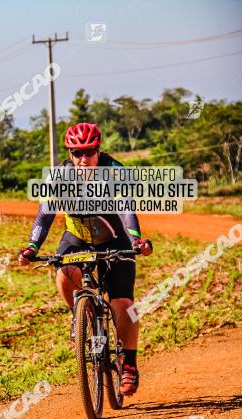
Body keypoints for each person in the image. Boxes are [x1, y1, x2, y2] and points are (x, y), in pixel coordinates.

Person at [18, 122, 153, 395]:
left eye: (88, 152)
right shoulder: (60, 176)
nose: (82, 159)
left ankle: (129, 364)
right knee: (62, 271)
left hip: (116, 238)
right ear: (69, 153)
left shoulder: (113, 171)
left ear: (98, 150)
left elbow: (126, 208)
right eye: (76, 153)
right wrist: (32, 246)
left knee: (122, 302)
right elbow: (45, 215)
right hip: (76, 237)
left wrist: (137, 239)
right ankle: (78, 317)